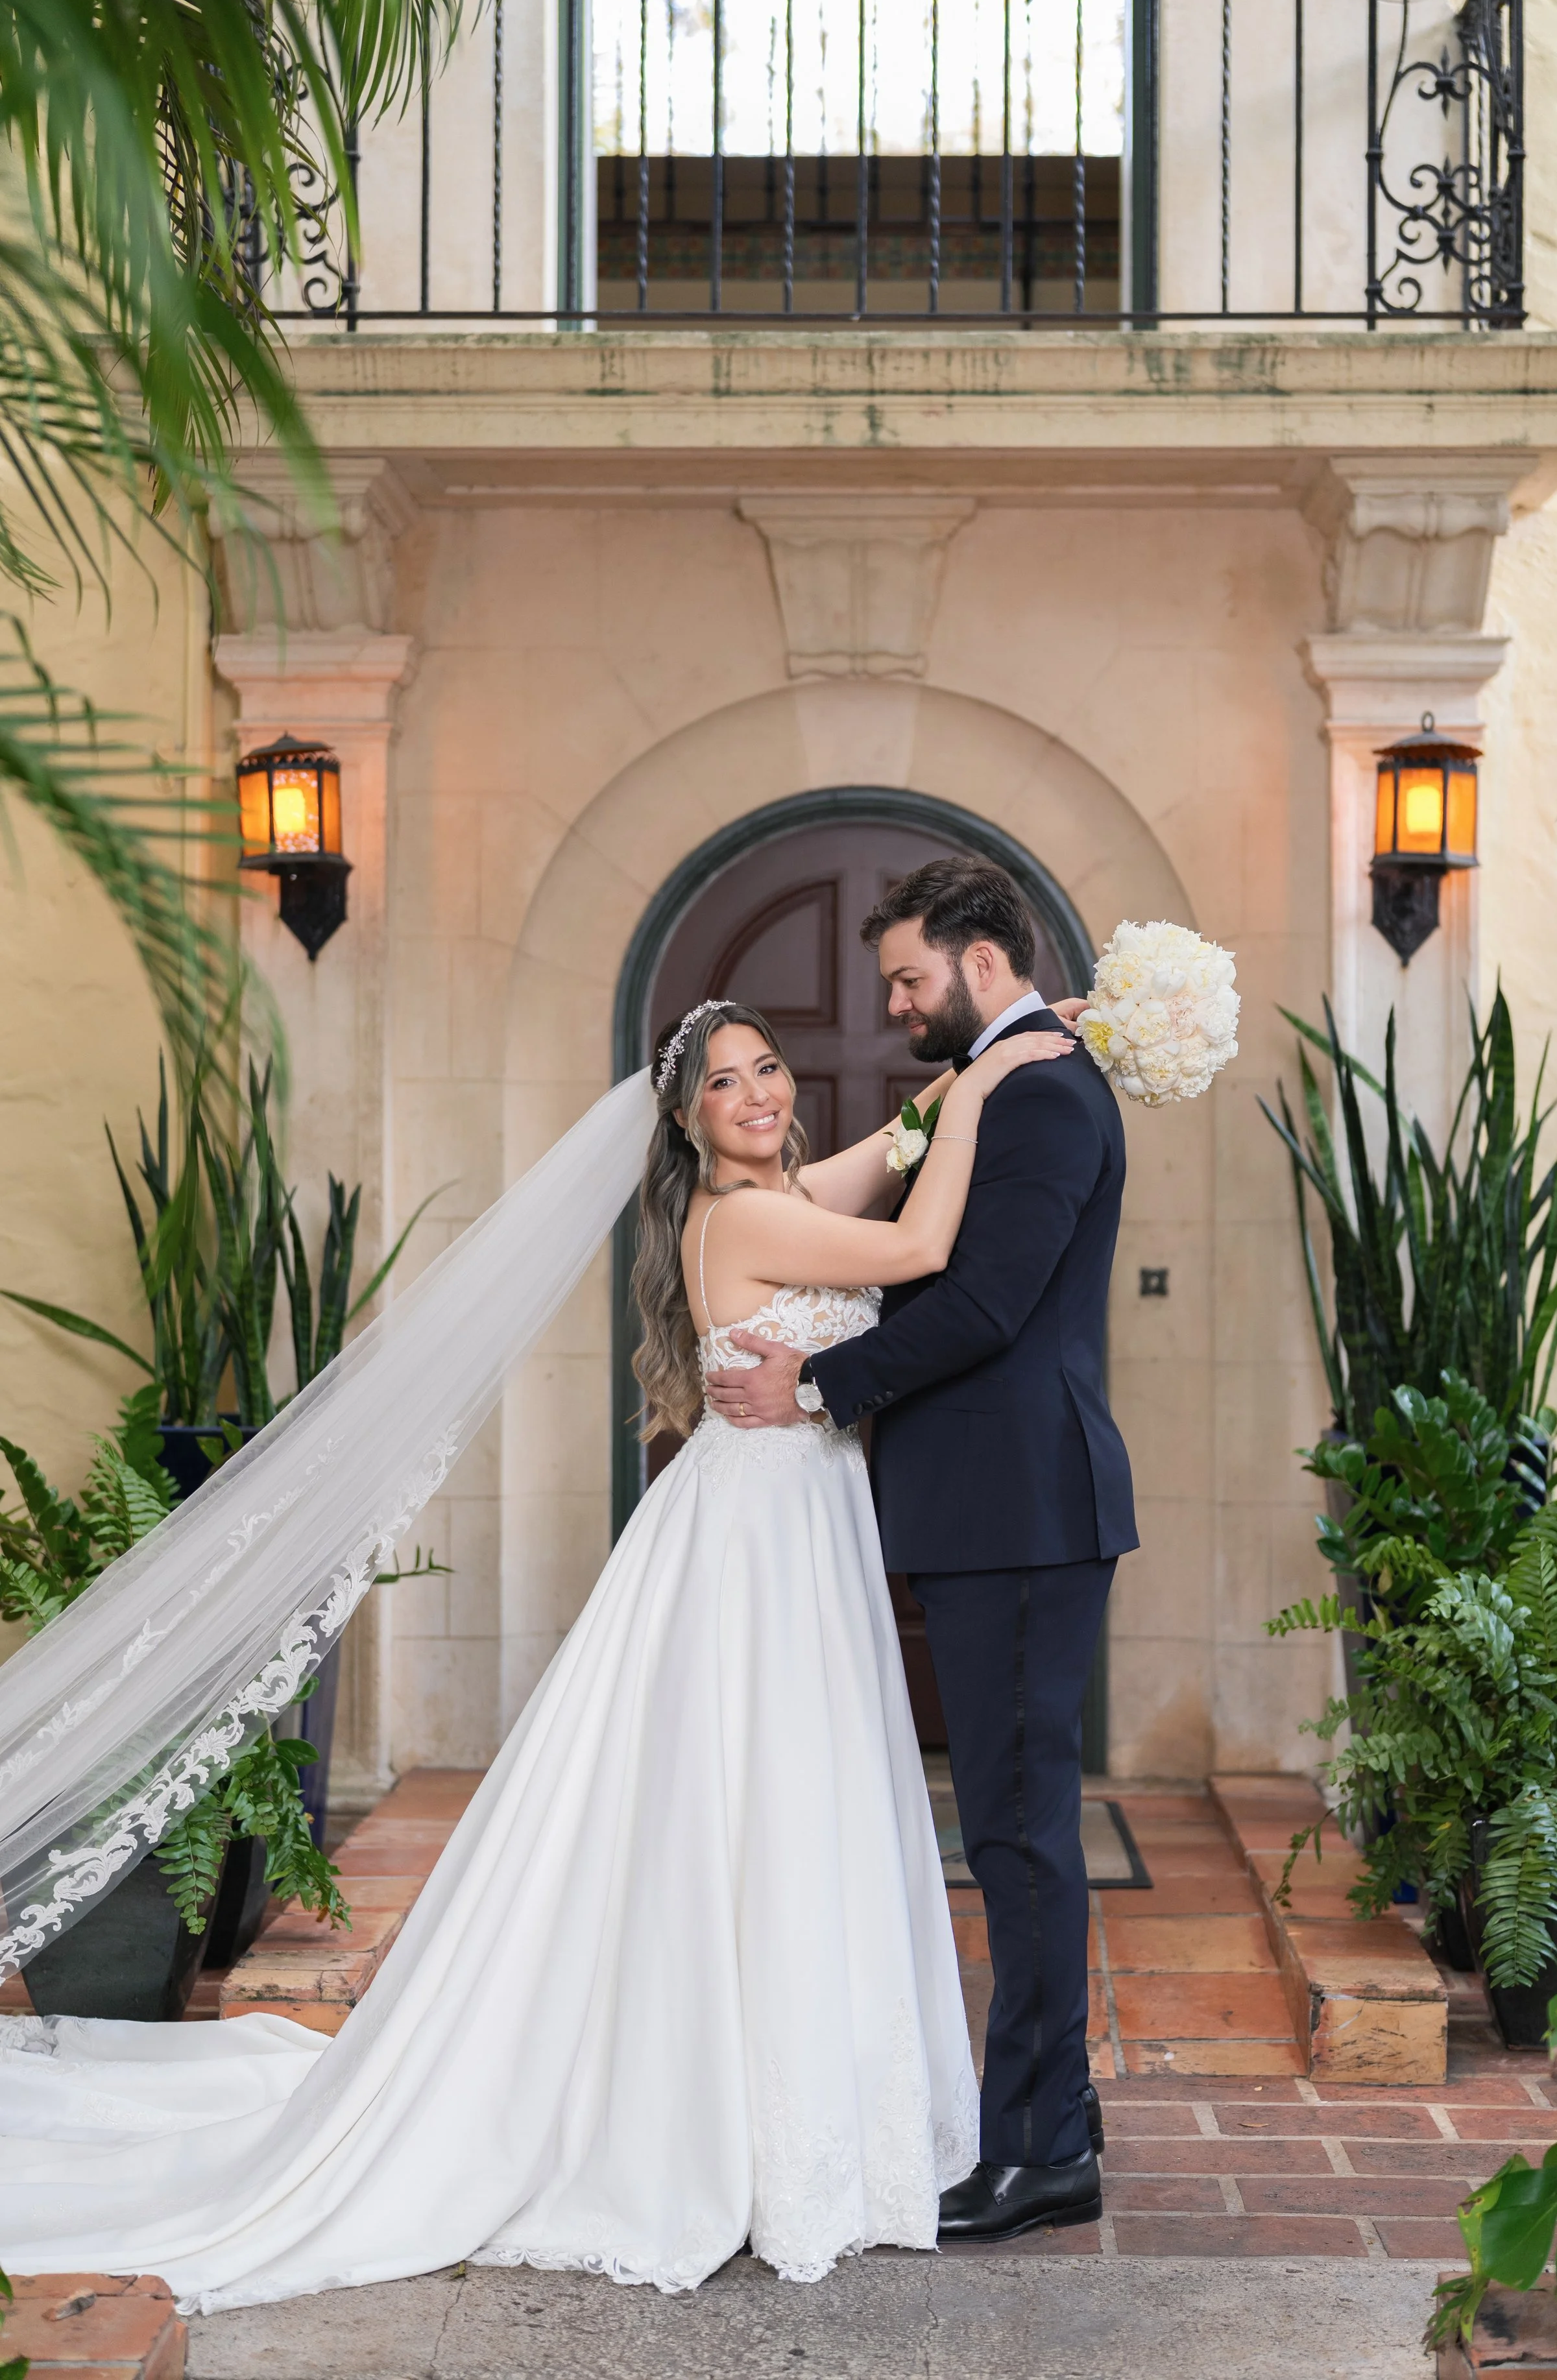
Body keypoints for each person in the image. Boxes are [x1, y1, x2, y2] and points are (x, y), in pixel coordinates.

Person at [0, 999, 1070, 2313]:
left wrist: (980, 1063)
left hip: (789, 1520)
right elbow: (916, 1239)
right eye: (726, 1083)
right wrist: (986, 1088)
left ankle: (787, 2111)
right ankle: (733, 2123)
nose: (759, 1094)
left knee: (784, 1794)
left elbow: (884, 1159)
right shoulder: (740, 1218)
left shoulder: (779, 1188)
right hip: (759, 1535)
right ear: (683, 1121)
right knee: (765, 1794)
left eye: (770, 1070)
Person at [706, 858, 1137, 2244]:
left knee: (1016, 1833)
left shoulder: (1044, 1094)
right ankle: (1037, 2118)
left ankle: (1039, 2147)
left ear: (985, 965)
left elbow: (992, 1304)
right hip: (986, 1508)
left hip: (1021, 1509)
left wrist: (816, 1389)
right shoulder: (999, 1083)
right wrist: (945, 1102)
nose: (892, 1006)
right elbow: (905, 1207)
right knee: (1010, 1827)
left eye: (906, 977)